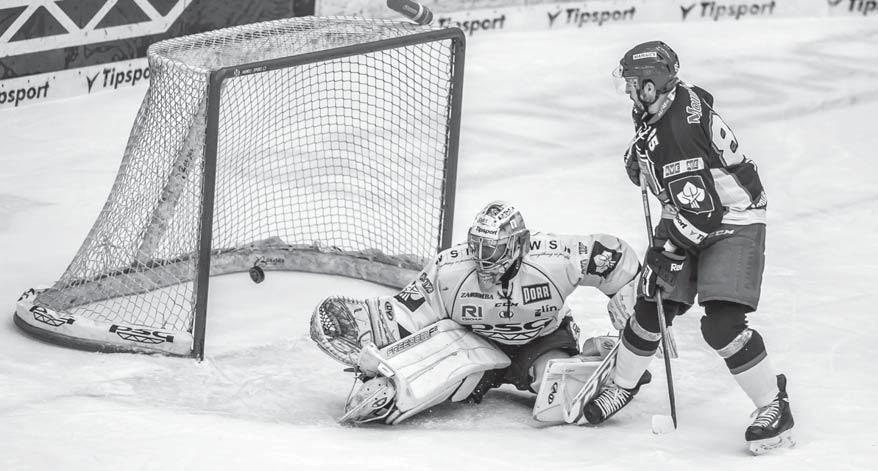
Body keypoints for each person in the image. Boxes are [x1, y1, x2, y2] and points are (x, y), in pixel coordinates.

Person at [582, 41, 794, 455]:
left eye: (631, 83)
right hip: (692, 206)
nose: (626, 91)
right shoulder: (666, 102)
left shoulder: (677, 133)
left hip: (733, 220)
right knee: (650, 304)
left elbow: (705, 214)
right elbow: (688, 120)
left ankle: (774, 404)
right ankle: (624, 386)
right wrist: (639, 156)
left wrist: (668, 252)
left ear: (651, 84)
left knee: (722, 325)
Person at [310, 201, 648, 424]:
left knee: (560, 401)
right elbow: (406, 313)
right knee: (400, 398)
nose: (483, 259)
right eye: (477, 246)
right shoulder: (450, 268)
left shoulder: (555, 259)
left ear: (520, 244)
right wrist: (368, 332)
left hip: (543, 340)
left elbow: (613, 256)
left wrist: (633, 298)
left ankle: (596, 354)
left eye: (493, 249)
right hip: (475, 346)